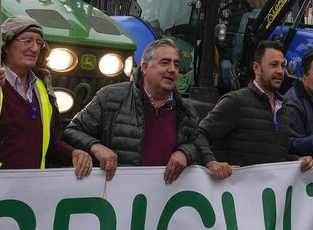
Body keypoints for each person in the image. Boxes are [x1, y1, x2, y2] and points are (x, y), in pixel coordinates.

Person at [64, 36, 230, 182]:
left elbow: (197, 144)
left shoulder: (186, 111)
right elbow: (72, 131)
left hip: (161, 204)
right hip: (114, 199)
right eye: (165, 63)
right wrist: (96, 147)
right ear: (144, 67)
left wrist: (185, 153)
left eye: (176, 64)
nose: (172, 69)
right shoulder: (111, 97)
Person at [0, 15, 83, 172]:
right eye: (27, 41)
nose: (34, 48)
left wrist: (73, 153)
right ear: (6, 46)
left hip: (25, 191)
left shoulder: (40, 89)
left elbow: (48, 143)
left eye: (39, 43)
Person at [201, 42, 313, 169]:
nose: (280, 71)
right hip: (236, 186)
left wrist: (298, 160)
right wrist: (211, 162)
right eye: (274, 65)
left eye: (282, 65)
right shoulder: (235, 102)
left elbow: (274, 157)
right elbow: (200, 135)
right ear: (256, 68)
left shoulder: (284, 109)